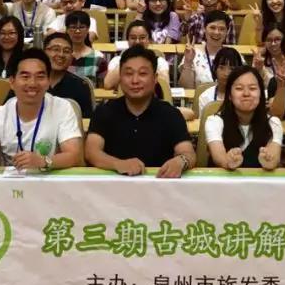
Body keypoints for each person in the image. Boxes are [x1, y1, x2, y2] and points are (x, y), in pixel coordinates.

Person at [0, 48, 85, 171]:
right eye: (25, 77)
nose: (32, 83)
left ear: (48, 82)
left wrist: (43, 161)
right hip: (10, 181)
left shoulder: (62, 108)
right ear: (12, 82)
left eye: (40, 77)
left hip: (49, 178)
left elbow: (74, 156)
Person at [86, 46, 193, 176]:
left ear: (155, 78)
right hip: (114, 184)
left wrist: (181, 161)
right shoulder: (104, 111)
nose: (135, 80)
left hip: (160, 183)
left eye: (142, 74)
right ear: (120, 77)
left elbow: (188, 153)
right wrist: (118, 164)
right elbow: (91, 152)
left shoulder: (171, 114)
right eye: (128, 74)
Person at [205, 66, 282, 171]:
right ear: (229, 95)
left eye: (252, 88)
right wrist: (227, 161)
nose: (246, 94)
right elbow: (219, 157)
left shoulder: (273, 123)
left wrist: (269, 161)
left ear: (261, 94)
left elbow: (274, 156)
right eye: (239, 88)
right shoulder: (214, 121)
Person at [101, 20, 171, 93]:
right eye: (133, 38)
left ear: (149, 40)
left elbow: (165, 86)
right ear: (127, 40)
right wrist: (126, 59)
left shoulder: (159, 61)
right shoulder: (117, 60)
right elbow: (108, 84)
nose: (137, 42)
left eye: (142, 37)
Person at [179, 10, 234, 89]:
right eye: (212, 28)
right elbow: (186, 88)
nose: (216, 32)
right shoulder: (193, 53)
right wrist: (188, 62)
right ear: (204, 28)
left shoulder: (233, 55)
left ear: (227, 31)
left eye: (222, 29)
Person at [195, 46, 243, 116]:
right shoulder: (205, 97)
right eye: (221, 68)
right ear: (215, 69)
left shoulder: (244, 97)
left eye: (232, 69)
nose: (226, 73)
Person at [66, 11, 106, 86]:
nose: (77, 31)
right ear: (67, 30)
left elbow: (102, 87)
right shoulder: (62, 56)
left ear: (88, 29)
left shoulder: (98, 57)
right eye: (73, 27)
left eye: (81, 27)